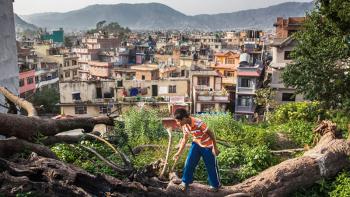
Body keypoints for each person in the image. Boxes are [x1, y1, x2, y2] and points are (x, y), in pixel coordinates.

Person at [173, 108, 221, 192]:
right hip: (196, 144)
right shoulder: (185, 126)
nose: (177, 123)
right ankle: (185, 182)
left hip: (208, 146)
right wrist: (178, 153)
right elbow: (185, 139)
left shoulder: (198, 123)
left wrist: (215, 147)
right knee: (189, 162)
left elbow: (211, 134)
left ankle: (215, 185)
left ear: (184, 118)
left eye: (178, 121)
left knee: (211, 166)